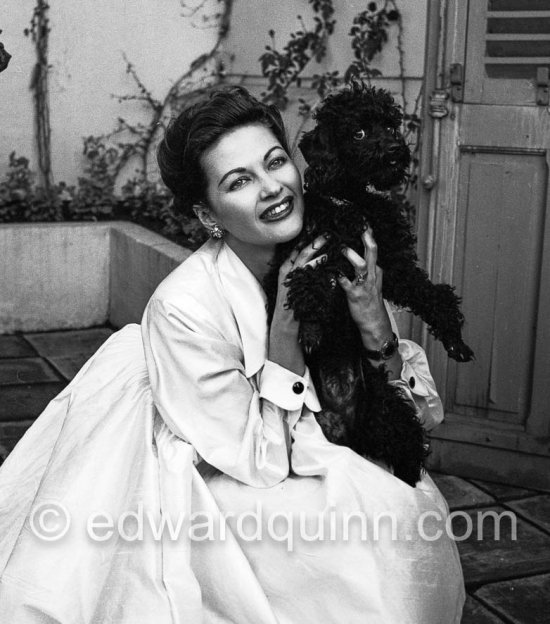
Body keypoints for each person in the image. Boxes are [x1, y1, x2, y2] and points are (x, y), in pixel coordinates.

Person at [0, 85, 465, 623]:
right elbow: (260, 464)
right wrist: (284, 332)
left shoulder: (331, 247)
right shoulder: (184, 308)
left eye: (275, 162)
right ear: (208, 214)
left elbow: (418, 416)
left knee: (399, 506)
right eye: (240, 181)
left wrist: (374, 324)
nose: (272, 189)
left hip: (314, 439)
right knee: (353, 551)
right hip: (225, 470)